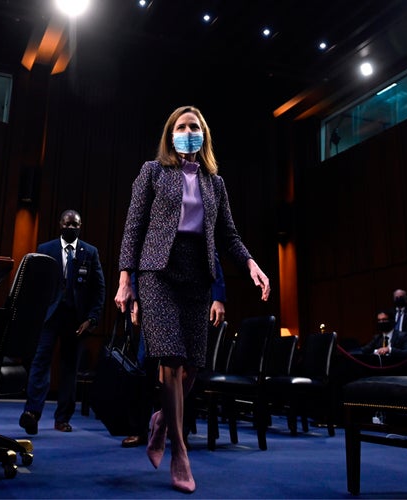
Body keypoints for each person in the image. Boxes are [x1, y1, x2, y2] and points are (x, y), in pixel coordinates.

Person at [114, 105, 270, 493]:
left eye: (194, 126)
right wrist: (124, 280)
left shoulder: (215, 183)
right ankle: (180, 452)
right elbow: (133, 227)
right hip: (157, 273)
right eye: (181, 126)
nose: (188, 131)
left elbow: (228, 235)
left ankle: (162, 421)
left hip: (198, 276)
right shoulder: (152, 172)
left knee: (193, 367)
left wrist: (251, 263)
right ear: (171, 134)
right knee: (169, 359)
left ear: (204, 134)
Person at [121, 252, 226, 449]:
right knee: (144, 367)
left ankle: (180, 431)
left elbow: (212, 255)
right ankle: (138, 429)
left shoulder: (195, 222)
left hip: (188, 301)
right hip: (154, 301)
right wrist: (135, 298)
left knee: (186, 370)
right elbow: (138, 258)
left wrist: (218, 297)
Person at [19, 209, 106, 435]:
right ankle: (32, 413)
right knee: (40, 362)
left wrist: (92, 318)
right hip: (49, 318)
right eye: (67, 225)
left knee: (69, 369)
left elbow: (99, 289)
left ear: (80, 226)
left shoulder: (90, 252)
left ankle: (62, 418)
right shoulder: (45, 250)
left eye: (75, 225)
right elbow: (33, 287)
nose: (71, 228)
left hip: (76, 320)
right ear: (60, 224)